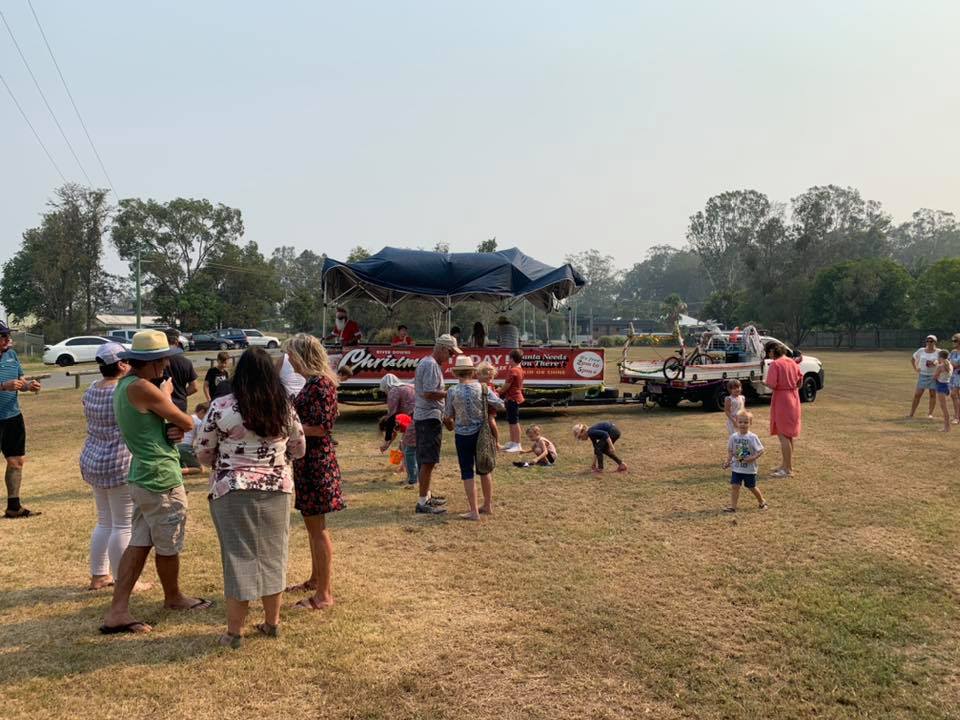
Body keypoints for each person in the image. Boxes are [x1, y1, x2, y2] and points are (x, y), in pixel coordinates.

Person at [100, 330, 211, 635]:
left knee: (140, 542)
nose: (166, 366)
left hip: (143, 475)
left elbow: (162, 424)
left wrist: (169, 426)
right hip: (160, 476)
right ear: (148, 362)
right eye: (162, 360)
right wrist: (170, 407)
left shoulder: (125, 385)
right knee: (168, 543)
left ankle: (118, 610)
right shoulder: (143, 389)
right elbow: (188, 422)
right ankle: (173, 597)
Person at [196, 347, 306, 648]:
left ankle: (234, 633)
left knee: (238, 558)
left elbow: (203, 450)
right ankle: (272, 623)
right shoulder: (285, 406)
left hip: (232, 490)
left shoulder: (222, 406)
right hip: (277, 489)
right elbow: (299, 447)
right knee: (274, 555)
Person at [283, 334, 345, 610]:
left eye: (291, 356)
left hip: (317, 463)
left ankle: (324, 594)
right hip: (310, 462)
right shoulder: (317, 383)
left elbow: (320, 427)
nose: (289, 361)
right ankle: (315, 579)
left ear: (302, 356)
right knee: (312, 526)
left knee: (317, 529)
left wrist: (285, 429)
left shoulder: (320, 384)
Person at [80, 343, 134, 589]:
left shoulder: (91, 389)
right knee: (124, 524)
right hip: (119, 461)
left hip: (93, 458)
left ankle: (99, 575)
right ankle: (124, 580)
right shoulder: (123, 391)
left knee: (104, 521)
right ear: (122, 365)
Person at [443, 355, 504, 520]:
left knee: (467, 472)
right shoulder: (483, 388)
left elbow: (448, 415)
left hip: (462, 435)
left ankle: (473, 511)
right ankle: (487, 505)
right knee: (484, 469)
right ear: (472, 372)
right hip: (481, 433)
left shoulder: (452, 391)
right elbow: (500, 404)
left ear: (457, 374)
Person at [413, 334, 462, 514]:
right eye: (450, 353)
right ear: (441, 348)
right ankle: (422, 503)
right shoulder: (431, 365)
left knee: (428, 460)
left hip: (427, 417)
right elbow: (428, 393)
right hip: (428, 418)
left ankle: (426, 496)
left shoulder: (429, 363)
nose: (451, 357)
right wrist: (450, 393)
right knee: (428, 461)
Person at [0, 320, 42, 519]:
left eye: (7, 335)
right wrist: (2, 386)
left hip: (12, 417)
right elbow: (6, 385)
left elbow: (20, 381)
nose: (7, 339)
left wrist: (28, 385)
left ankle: (13, 507)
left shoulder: (11, 355)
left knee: (16, 461)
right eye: (3, 336)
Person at [763, 342, 802, 478]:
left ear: (773, 352)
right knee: (789, 434)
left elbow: (772, 384)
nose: (768, 355)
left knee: (783, 434)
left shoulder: (776, 364)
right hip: (793, 397)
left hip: (782, 399)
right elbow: (800, 381)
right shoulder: (792, 362)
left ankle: (787, 469)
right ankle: (786, 465)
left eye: (769, 352)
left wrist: (764, 382)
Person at [721, 411, 768, 513]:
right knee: (735, 486)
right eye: (740, 422)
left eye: (746, 422)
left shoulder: (752, 437)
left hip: (749, 469)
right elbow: (730, 451)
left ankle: (762, 501)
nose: (743, 424)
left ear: (750, 423)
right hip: (737, 468)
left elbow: (761, 450)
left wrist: (752, 457)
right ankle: (733, 507)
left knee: (751, 486)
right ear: (736, 422)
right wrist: (727, 461)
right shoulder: (733, 437)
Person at [379, 373, 417, 486]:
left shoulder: (394, 391)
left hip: (415, 417)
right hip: (422, 416)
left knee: (408, 449)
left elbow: (391, 417)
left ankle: (412, 478)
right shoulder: (408, 387)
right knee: (407, 445)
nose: (385, 393)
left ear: (386, 386)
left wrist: (386, 442)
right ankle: (407, 470)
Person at [163, 328, 198, 412]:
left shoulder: (157, 361)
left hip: (162, 405)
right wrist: (181, 394)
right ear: (177, 342)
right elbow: (194, 387)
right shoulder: (186, 362)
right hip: (180, 406)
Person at [909, 335, 941, 419]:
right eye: (927, 341)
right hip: (923, 374)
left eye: (931, 341)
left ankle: (930, 413)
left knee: (932, 394)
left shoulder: (938, 352)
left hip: (934, 375)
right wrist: (916, 368)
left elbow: (943, 362)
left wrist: (936, 363)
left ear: (935, 342)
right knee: (917, 394)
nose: (929, 343)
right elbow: (912, 359)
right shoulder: (921, 350)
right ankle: (911, 413)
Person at [499, 349, 525, 452]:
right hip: (513, 398)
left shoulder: (513, 370)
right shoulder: (520, 369)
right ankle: (513, 442)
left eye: (509, 358)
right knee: (511, 421)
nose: (508, 360)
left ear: (512, 359)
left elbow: (507, 386)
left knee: (514, 422)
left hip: (513, 399)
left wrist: (498, 392)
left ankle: (517, 444)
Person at [178, 402, 209, 476]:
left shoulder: (189, 417)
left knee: (185, 464)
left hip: (176, 446)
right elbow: (201, 439)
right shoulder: (199, 422)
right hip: (185, 447)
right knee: (200, 469)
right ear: (202, 411)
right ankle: (176, 472)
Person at [476, 362, 501, 447]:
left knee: (491, 421)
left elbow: (495, 398)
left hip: (490, 408)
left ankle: (497, 441)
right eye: (486, 374)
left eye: (491, 376)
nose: (490, 377)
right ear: (479, 375)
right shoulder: (478, 385)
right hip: (481, 407)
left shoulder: (489, 385)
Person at [933, 350, 953, 432]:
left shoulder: (940, 366)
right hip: (947, 385)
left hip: (941, 386)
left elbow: (934, 377)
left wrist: (936, 366)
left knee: (944, 408)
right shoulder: (950, 365)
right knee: (945, 407)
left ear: (940, 357)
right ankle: (947, 426)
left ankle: (946, 427)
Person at [950, 334, 960, 424]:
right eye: (953, 340)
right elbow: (949, 363)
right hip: (954, 376)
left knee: (954, 395)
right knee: (955, 396)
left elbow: (956, 365)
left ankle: (957, 417)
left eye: (955, 340)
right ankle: (957, 416)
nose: (953, 342)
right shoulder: (953, 352)